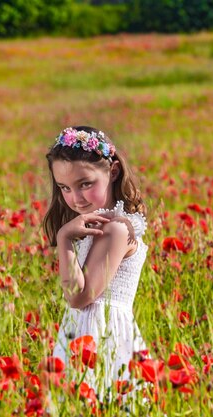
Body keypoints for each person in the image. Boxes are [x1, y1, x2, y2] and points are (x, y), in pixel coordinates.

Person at [43, 126, 149, 402]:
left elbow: (79, 297)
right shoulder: (95, 224)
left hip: (105, 338)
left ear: (112, 172)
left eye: (85, 184)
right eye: (64, 188)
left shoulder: (117, 229)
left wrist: (65, 239)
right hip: (82, 332)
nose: (75, 198)